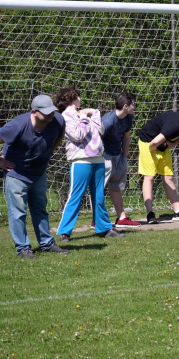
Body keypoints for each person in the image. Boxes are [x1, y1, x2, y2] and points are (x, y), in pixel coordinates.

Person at [0, 95, 69, 259]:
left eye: (52, 111)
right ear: (34, 112)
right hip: (17, 173)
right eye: (46, 112)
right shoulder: (19, 125)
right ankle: (23, 248)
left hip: (38, 173)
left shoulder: (57, 120)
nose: (50, 115)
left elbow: (60, 136)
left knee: (40, 210)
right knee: (18, 213)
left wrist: (49, 153)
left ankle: (47, 244)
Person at [55, 87, 124, 242]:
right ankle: (65, 232)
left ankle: (104, 228)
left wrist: (94, 112)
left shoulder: (86, 113)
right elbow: (77, 135)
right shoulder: (65, 117)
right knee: (76, 196)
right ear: (72, 98)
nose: (80, 98)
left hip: (98, 159)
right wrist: (85, 117)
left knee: (98, 195)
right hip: (81, 160)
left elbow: (100, 130)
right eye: (78, 96)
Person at [138, 100, 179, 224]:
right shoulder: (176, 123)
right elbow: (153, 142)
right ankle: (150, 214)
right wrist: (154, 149)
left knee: (168, 177)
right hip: (148, 143)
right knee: (149, 177)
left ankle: (178, 211)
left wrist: (173, 144)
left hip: (161, 143)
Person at [100, 92, 139, 228]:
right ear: (126, 106)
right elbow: (96, 140)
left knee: (116, 188)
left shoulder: (128, 117)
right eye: (134, 104)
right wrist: (101, 158)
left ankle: (121, 218)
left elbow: (126, 137)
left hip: (118, 156)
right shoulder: (108, 121)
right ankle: (96, 219)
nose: (135, 107)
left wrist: (124, 156)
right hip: (105, 157)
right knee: (98, 188)